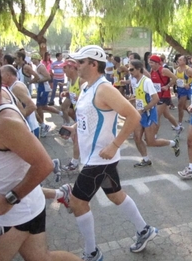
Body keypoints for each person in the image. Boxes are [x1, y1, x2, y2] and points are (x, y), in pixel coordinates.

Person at [0, 59, 81, 261]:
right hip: (25, 206)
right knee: (42, 259)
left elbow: (44, 164)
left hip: (12, 214)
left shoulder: (4, 122)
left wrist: (9, 200)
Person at [61, 45, 158, 261]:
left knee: (78, 202)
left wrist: (115, 145)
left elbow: (133, 116)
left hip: (99, 158)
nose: (75, 65)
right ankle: (145, 230)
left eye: (80, 61)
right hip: (96, 157)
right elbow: (91, 115)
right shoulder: (87, 87)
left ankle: (91, 253)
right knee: (115, 195)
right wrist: (75, 128)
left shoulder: (104, 88)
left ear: (94, 64)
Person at [129, 60, 180, 167]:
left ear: (139, 69)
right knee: (137, 137)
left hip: (149, 113)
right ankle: (145, 159)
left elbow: (155, 99)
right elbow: (140, 97)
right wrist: (130, 100)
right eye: (129, 69)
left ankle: (173, 143)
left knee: (150, 141)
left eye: (132, 69)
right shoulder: (135, 81)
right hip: (139, 114)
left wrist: (143, 109)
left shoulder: (146, 81)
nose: (130, 72)